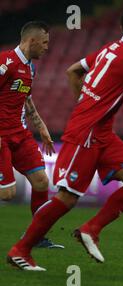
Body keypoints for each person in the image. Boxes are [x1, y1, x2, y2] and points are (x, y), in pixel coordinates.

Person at [6, 7, 123, 271]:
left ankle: (91, 229)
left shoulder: (109, 49)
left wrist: (85, 101)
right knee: (67, 198)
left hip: (103, 133)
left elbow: (73, 71)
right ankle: (21, 250)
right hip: (86, 133)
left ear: (121, 28)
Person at [0, 21, 63, 249]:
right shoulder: (5, 62)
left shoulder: (30, 68)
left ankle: (36, 237)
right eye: (45, 42)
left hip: (21, 134)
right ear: (32, 41)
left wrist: (42, 127)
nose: (47, 47)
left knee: (41, 182)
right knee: (7, 194)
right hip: (1, 137)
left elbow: (25, 98)